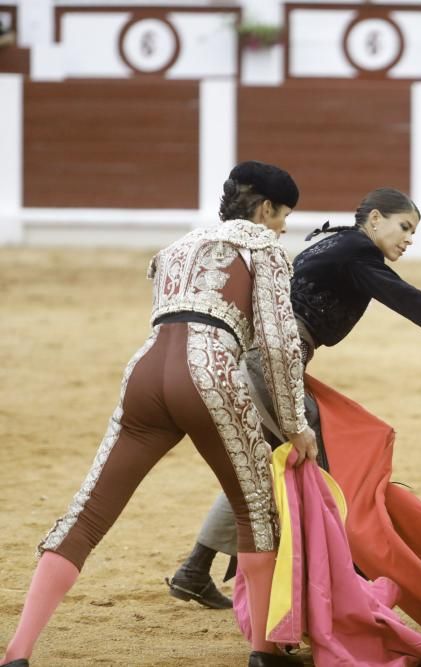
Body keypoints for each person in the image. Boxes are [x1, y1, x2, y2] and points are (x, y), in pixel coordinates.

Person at [1, 161, 318, 667]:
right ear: (264, 210)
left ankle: (16, 652)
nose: (283, 227)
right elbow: (279, 347)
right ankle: (265, 651)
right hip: (211, 372)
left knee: (87, 511)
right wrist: (295, 425)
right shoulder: (264, 248)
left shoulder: (174, 249)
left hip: (145, 373)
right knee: (256, 514)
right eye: (284, 216)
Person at [166, 187, 421, 616]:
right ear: (376, 219)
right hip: (270, 362)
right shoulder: (357, 250)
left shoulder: (337, 241)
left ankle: (196, 571)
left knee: (267, 466)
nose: (408, 239)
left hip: (260, 359)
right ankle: (343, 577)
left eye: (414, 233)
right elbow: (407, 300)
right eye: (404, 227)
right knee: (321, 465)